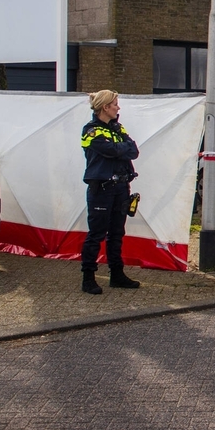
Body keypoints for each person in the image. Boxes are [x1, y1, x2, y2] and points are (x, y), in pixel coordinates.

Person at [80, 90, 141, 294]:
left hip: (121, 188)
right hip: (102, 189)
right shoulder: (91, 131)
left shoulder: (117, 128)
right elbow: (111, 151)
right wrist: (119, 148)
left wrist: (119, 147)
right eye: (115, 104)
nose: (118, 107)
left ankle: (117, 275)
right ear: (105, 107)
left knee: (117, 234)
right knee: (96, 234)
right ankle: (88, 278)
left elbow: (134, 151)